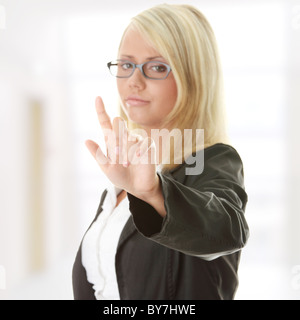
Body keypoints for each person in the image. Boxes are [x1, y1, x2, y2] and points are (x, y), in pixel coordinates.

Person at [72, 4, 249, 300]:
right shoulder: (120, 182)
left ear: (192, 79)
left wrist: (154, 193)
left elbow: (227, 231)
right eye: (126, 64)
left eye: (156, 67)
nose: (133, 82)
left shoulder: (207, 160)